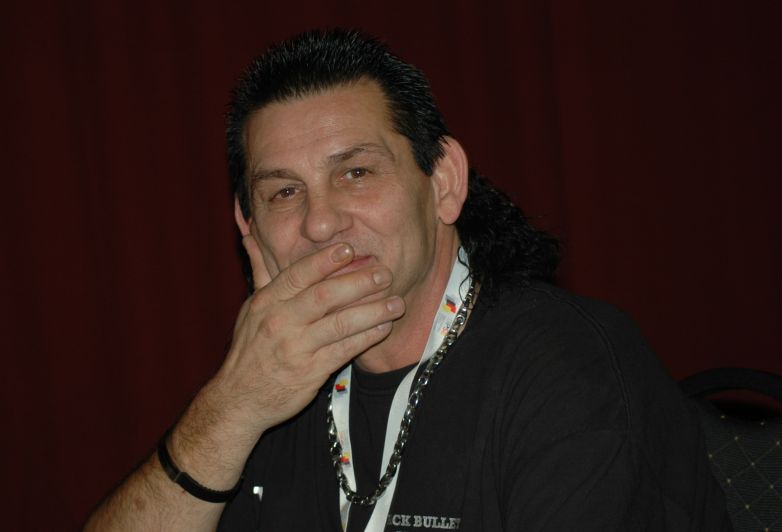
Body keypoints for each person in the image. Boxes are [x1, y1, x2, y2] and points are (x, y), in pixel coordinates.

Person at [85, 29, 731, 531]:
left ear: (443, 181)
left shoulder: (567, 366)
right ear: (247, 225)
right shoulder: (267, 386)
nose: (320, 222)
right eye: (283, 192)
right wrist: (233, 405)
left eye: (356, 172)